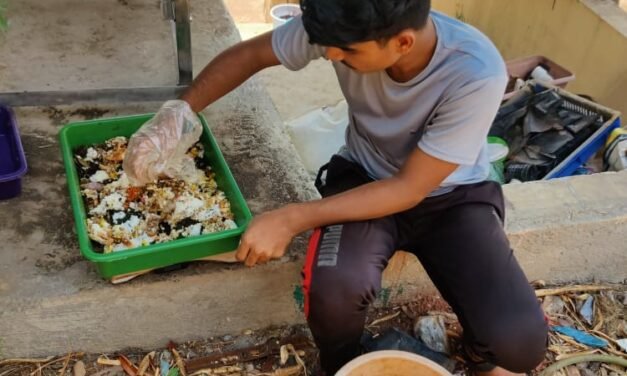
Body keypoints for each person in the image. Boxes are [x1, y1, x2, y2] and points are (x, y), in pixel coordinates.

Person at [125, 0, 548, 374]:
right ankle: (344, 363)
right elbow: (252, 53)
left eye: (345, 52)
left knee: (521, 344)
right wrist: (178, 113)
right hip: (363, 176)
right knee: (333, 291)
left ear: (401, 42)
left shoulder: (475, 71)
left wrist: (291, 218)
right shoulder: (344, 22)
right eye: (327, 44)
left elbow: (410, 189)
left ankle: (479, 356)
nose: (329, 55)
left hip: (451, 197)